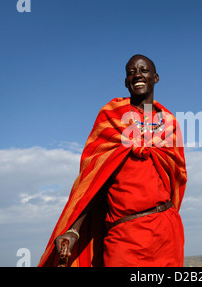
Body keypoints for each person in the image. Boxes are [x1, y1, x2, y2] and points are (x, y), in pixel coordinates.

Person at [38, 54, 187, 267]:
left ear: (155, 78)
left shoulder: (169, 123)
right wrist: (73, 230)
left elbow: (177, 177)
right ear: (126, 82)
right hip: (124, 233)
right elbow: (93, 181)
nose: (137, 75)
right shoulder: (112, 117)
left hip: (166, 230)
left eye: (144, 70)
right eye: (131, 72)